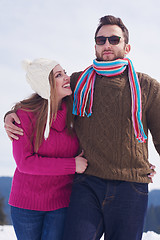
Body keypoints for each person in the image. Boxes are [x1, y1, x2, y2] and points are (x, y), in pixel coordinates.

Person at [4, 16, 158, 240]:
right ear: (95, 45)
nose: (106, 44)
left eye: (114, 39)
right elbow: (45, 96)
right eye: (101, 39)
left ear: (127, 46)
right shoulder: (79, 83)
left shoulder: (147, 86)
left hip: (130, 186)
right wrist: (11, 114)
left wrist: (141, 162)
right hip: (88, 183)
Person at [6, 58, 88, 240]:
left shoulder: (76, 112)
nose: (67, 77)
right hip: (26, 205)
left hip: (61, 203)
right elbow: (25, 163)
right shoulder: (24, 116)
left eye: (64, 72)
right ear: (45, 83)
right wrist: (72, 165)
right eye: (59, 75)